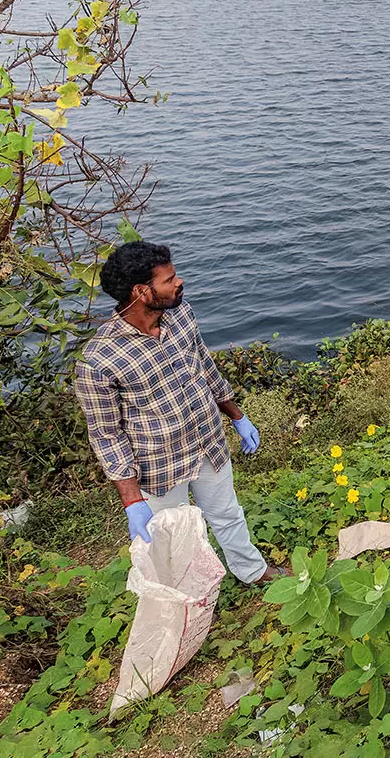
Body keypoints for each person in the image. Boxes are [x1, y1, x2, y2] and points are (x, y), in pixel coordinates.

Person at [75, 242, 287, 585]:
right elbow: (106, 435)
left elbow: (204, 366)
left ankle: (252, 571)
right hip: (158, 466)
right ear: (142, 292)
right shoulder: (99, 361)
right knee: (169, 541)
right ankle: (187, 599)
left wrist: (236, 415)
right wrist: (132, 501)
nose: (179, 282)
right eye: (169, 279)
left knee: (227, 514)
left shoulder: (181, 314)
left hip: (207, 444)